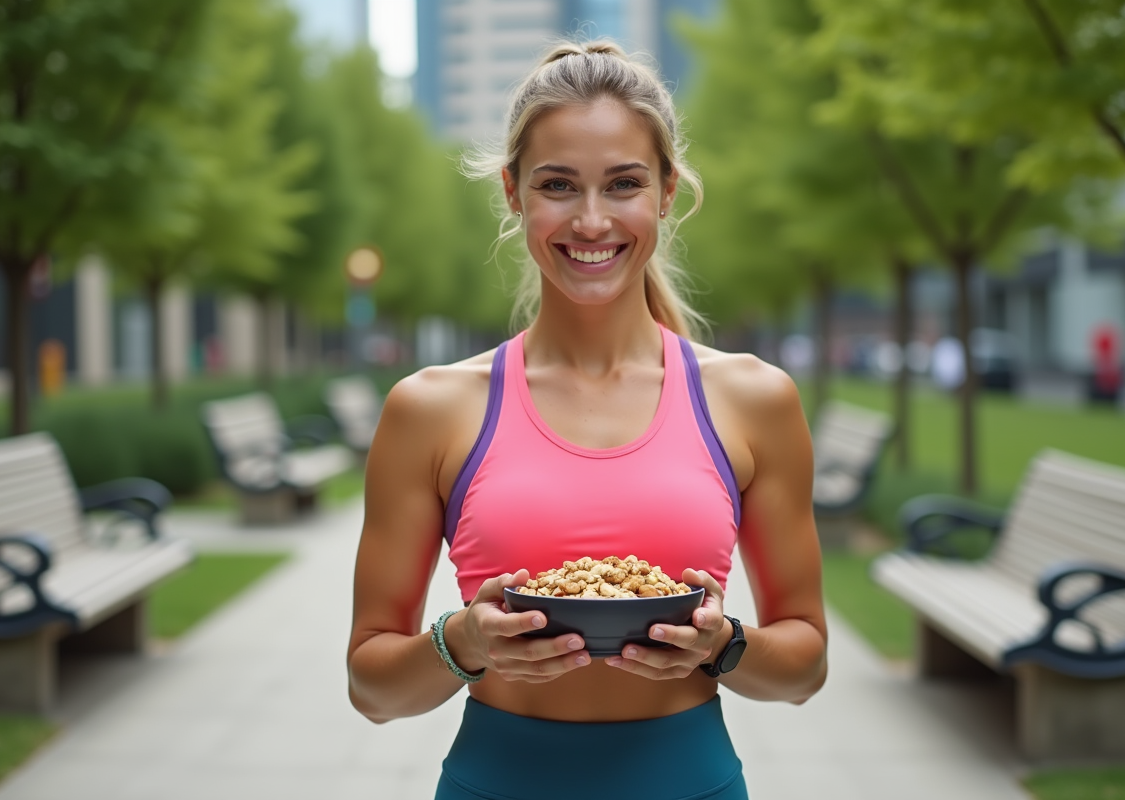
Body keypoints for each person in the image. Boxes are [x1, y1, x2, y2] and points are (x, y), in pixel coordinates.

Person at [346, 41, 827, 800]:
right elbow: (372, 689)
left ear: (668, 191)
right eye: (559, 185)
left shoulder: (753, 399)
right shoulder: (431, 409)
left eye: (625, 184)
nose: (593, 220)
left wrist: (725, 647)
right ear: (513, 193)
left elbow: (804, 665)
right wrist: (461, 643)